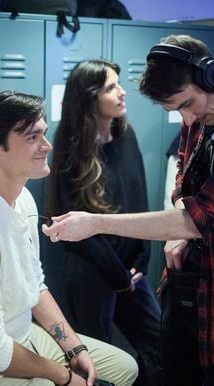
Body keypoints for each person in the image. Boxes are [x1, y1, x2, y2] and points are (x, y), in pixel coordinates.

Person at [43, 35, 214, 386]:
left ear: (212, 74)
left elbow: (204, 216)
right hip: (186, 283)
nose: (189, 117)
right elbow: (183, 181)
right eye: (178, 110)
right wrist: (179, 230)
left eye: (188, 104)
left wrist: (95, 223)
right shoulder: (199, 110)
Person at [0, 91, 138, 386]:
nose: (47, 145)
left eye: (44, 134)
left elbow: (34, 284)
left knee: (125, 368)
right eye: (32, 137)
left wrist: (74, 348)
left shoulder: (22, 198)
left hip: (21, 336)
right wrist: (62, 376)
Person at [47, 59, 160, 386]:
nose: (123, 92)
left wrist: (142, 256)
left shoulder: (127, 134)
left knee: (159, 346)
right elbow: (78, 233)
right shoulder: (71, 149)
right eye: (111, 87)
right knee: (99, 363)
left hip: (131, 270)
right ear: (89, 97)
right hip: (92, 272)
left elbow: (139, 198)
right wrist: (118, 274)